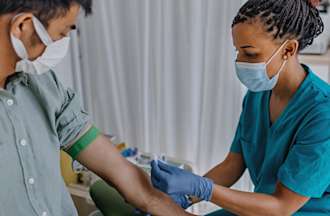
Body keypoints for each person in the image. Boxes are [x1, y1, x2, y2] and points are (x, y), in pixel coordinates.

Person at [0, 1, 195, 215]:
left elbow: (128, 180)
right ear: (23, 26)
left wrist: (159, 201)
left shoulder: (43, 85)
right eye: (60, 34)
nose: (59, 46)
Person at [151, 0, 330, 215]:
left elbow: (282, 206)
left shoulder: (323, 114)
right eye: (238, 52)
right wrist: (186, 196)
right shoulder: (257, 95)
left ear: (289, 49)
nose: (240, 61)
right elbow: (232, 165)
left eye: (250, 53)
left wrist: (202, 188)